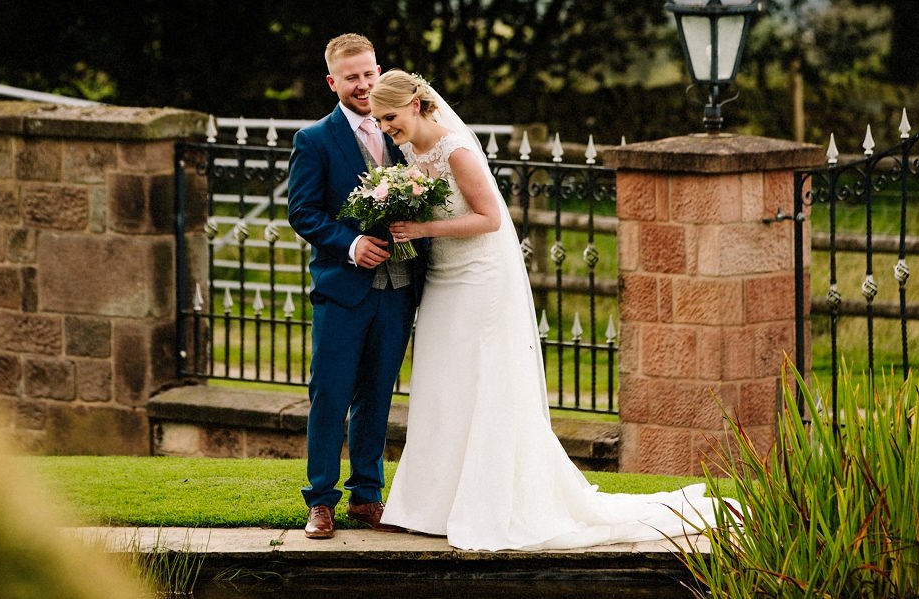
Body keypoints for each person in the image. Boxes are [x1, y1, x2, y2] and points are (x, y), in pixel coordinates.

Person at [368, 70, 725, 551]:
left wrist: (423, 230)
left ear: (413, 103)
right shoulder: (410, 152)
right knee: (441, 381)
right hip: (443, 280)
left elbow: (490, 219)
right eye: (380, 121)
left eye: (389, 118)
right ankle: (431, 505)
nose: (386, 127)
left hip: (479, 278)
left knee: (484, 382)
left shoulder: (457, 150)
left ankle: (488, 501)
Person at [287, 34, 422, 539]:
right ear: (333, 82)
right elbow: (302, 211)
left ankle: (367, 496)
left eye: (369, 74)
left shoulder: (401, 134)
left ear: (379, 71)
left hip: (398, 285)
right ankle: (320, 500)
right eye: (351, 77)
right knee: (331, 393)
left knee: (377, 395)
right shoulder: (315, 139)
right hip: (343, 288)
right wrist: (350, 244)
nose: (363, 85)